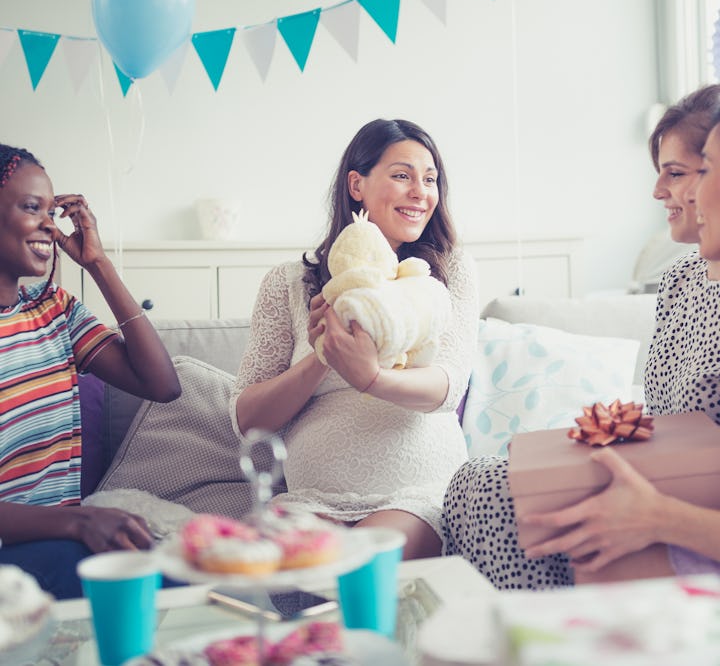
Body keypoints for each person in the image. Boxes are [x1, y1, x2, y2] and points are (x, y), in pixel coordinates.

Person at [442, 84, 720, 588]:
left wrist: (656, 514)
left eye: (681, 173)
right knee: (486, 479)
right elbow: (668, 423)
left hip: (689, 516)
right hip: (661, 485)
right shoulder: (681, 280)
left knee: (498, 495)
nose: (661, 192)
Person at [231, 118, 478, 559]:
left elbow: (447, 387)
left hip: (414, 494)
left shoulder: (446, 272)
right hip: (311, 502)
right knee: (272, 566)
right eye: (402, 175)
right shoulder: (288, 283)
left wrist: (370, 377)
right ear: (356, 184)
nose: (421, 192)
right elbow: (248, 421)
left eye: (430, 179)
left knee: (363, 563)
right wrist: (323, 355)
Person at [0, 144, 181, 598]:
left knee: (183, 584)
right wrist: (79, 520)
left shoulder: (52, 310)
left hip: (62, 543)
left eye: (50, 209)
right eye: (30, 207)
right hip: (37, 551)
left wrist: (98, 264)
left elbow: (161, 385)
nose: (48, 223)